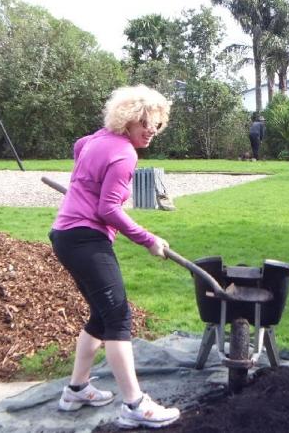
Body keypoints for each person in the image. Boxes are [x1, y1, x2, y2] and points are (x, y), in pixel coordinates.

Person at [49, 85, 180, 429]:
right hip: (84, 238)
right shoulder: (125, 154)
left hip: (64, 235)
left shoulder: (96, 139)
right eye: (147, 124)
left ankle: (76, 389)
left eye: (157, 126)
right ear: (130, 118)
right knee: (119, 317)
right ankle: (134, 404)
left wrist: (85, 184)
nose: (152, 131)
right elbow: (108, 209)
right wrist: (148, 239)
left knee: (101, 314)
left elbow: (79, 148)